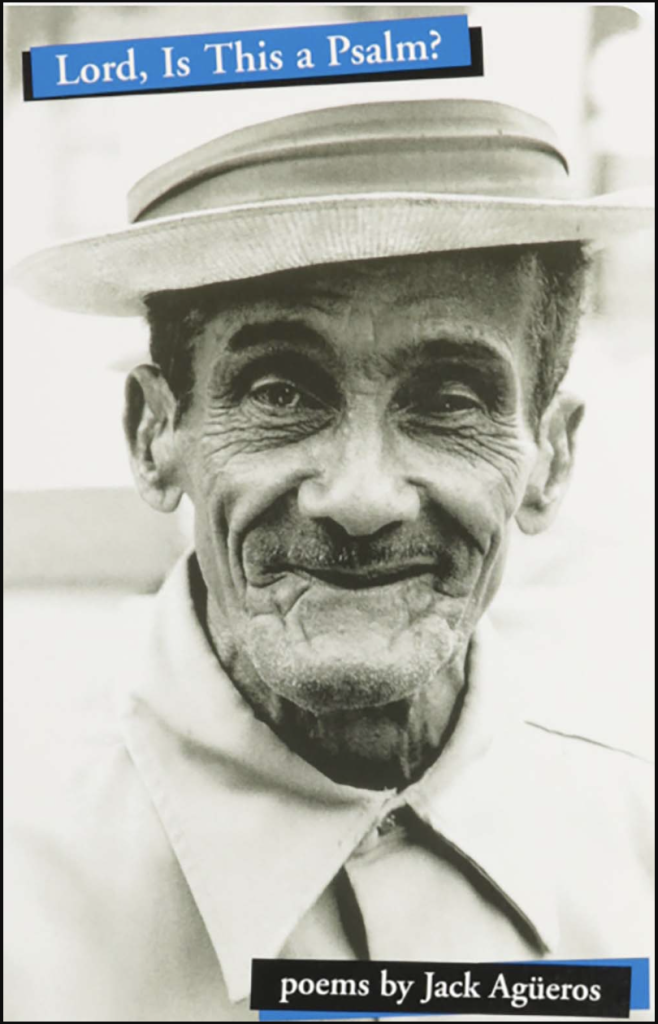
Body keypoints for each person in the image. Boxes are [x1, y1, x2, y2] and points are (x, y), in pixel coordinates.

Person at [6, 99, 653, 1022]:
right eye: (279, 391)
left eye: (453, 399)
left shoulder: (633, 825)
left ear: (551, 459)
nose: (359, 496)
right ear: (154, 434)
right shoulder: (20, 857)